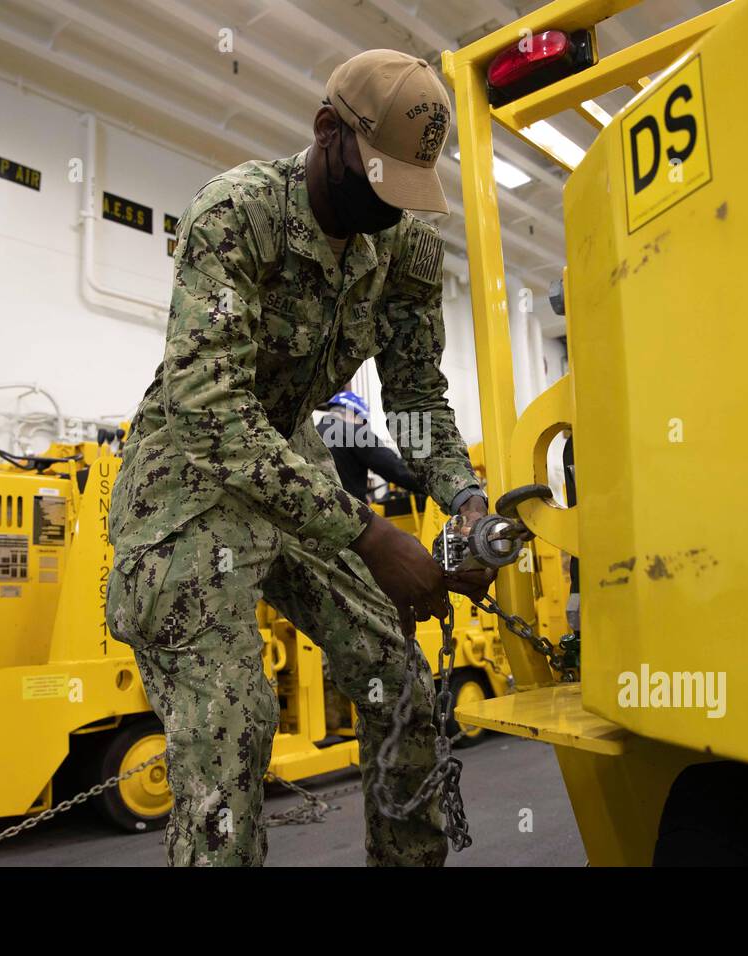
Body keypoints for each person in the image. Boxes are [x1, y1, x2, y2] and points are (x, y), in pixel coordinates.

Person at [106, 49, 493, 867]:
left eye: (406, 192)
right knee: (230, 727)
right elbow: (211, 412)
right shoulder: (235, 215)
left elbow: (417, 401)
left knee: (403, 685)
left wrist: (464, 500)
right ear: (328, 133)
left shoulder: (402, 255)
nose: (390, 211)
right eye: (378, 181)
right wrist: (371, 536)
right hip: (187, 480)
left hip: (289, 455)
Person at [316, 390, 426, 502]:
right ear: (353, 415)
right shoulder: (356, 432)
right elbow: (394, 468)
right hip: (344, 514)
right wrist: (431, 484)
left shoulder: (310, 435)